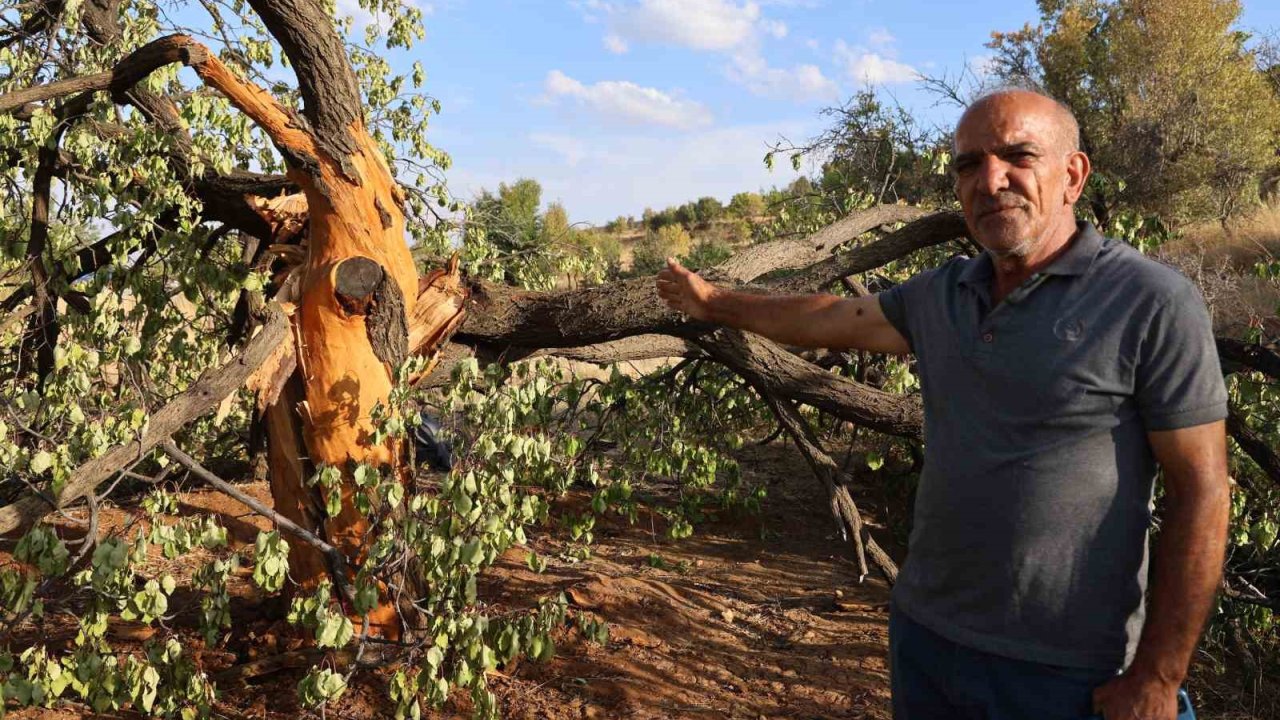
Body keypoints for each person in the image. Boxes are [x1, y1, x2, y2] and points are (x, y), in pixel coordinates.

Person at [655, 88, 1229, 720]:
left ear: (1072, 174)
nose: (990, 180)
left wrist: (1158, 674)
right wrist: (714, 302)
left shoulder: (1150, 301)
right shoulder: (944, 293)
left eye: (1018, 156)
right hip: (928, 639)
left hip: (1072, 670)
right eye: (968, 164)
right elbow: (832, 317)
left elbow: (1201, 491)